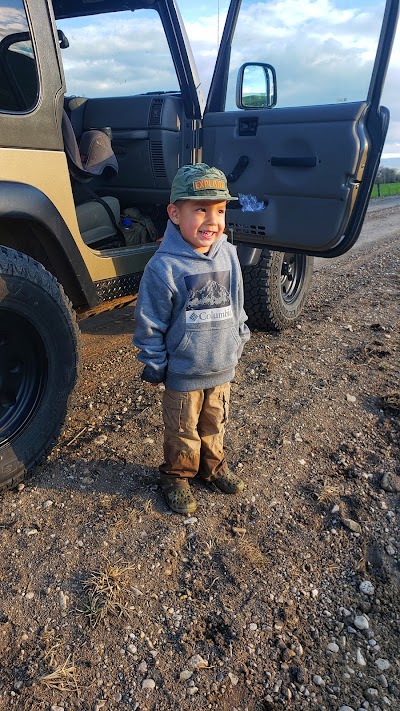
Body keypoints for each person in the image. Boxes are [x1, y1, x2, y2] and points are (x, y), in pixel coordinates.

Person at [133, 163, 250, 514]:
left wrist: (239, 335)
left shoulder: (228, 253)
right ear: (174, 212)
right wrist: (154, 363)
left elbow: (237, 301)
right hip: (184, 372)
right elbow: (149, 322)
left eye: (219, 210)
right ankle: (177, 476)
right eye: (200, 210)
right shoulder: (164, 267)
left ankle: (212, 468)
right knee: (183, 430)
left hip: (222, 367)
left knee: (216, 423)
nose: (212, 221)